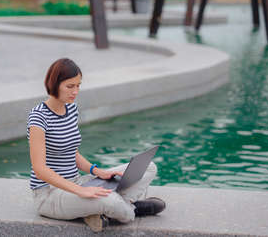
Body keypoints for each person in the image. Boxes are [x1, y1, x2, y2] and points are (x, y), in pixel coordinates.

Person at [27, 58, 165, 232]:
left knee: (149, 167)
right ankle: (132, 209)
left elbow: (72, 153)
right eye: (70, 86)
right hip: (50, 195)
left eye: (78, 85)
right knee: (110, 201)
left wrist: (98, 171)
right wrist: (79, 191)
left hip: (78, 182)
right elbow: (40, 169)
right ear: (54, 84)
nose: (75, 91)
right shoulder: (38, 117)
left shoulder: (71, 109)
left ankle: (99, 210)